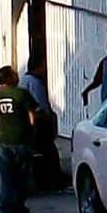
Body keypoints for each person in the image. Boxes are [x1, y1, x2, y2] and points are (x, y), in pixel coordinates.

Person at [0, 65, 36, 213]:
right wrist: (32, 131)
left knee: (6, 175)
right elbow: (32, 115)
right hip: (22, 140)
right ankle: (18, 204)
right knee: (22, 175)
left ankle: (6, 206)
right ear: (8, 78)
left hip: (3, 140)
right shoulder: (22, 93)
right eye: (14, 74)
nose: (17, 76)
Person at [19, 56, 66, 194]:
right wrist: (47, 118)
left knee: (41, 153)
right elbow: (39, 105)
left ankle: (44, 182)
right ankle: (52, 182)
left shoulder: (24, 80)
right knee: (48, 153)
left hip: (33, 122)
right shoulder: (35, 82)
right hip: (39, 122)